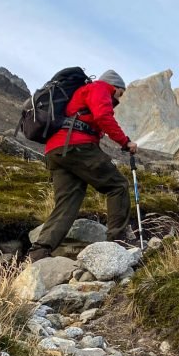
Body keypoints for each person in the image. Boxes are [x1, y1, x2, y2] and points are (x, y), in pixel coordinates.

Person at [27, 70, 138, 262]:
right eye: (121, 93)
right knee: (117, 185)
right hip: (76, 146)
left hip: (56, 151)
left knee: (67, 203)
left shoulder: (83, 92)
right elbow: (104, 116)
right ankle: (116, 243)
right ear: (116, 86)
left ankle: (39, 252)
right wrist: (125, 142)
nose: (120, 97)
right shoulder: (100, 87)